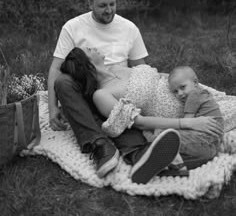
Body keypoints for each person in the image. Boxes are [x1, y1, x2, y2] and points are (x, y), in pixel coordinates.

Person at [48, 0, 181, 184]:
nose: (109, 10)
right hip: (85, 88)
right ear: (89, 4)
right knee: (64, 82)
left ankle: (140, 155)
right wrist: (52, 107)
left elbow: (141, 69)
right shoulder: (73, 27)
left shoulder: (128, 28)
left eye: (112, 4)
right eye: (102, 5)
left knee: (119, 110)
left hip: (120, 91)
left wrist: (161, 86)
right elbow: (55, 69)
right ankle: (99, 144)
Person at [61, 47, 224, 177]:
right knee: (197, 147)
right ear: (87, 63)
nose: (94, 47)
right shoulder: (101, 94)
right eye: (89, 50)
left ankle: (173, 162)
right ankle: (165, 163)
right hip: (185, 125)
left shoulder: (119, 68)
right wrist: (188, 122)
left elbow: (161, 76)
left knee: (212, 138)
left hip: (197, 107)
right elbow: (138, 122)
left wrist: (198, 90)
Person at [168, 66, 224, 159]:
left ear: (195, 82)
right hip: (212, 143)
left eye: (182, 87)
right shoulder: (203, 93)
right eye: (175, 91)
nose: (180, 93)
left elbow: (187, 121)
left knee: (167, 135)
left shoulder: (193, 95)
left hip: (204, 141)